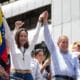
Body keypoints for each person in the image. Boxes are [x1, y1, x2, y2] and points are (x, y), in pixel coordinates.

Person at [39, 11, 80, 80]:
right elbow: (47, 37)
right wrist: (45, 22)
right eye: (63, 42)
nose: (65, 44)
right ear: (58, 44)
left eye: (67, 42)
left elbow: (77, 71)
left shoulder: (73, 56)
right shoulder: (54, 51)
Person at [3, 12, 43, 80]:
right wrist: (2, 17)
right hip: (16, 75)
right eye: (21, 36)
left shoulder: (29, 48)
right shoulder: (13, 47)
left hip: (28, 76)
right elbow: (8, 32)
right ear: (18, 37)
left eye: (25, 36)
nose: (23, 38)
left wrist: (39, 21)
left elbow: (35, 36)